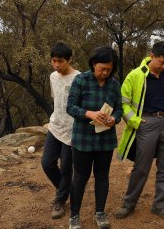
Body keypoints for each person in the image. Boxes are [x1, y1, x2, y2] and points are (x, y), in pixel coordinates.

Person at [114, 41, 164, 221]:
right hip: (146, 123)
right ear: (151, 55)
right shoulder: (135, 75)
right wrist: (136, 122)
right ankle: (128, 204)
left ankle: (159, 205)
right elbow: (123, 102)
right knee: (141, 167)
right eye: (161, 62)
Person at [66, 46, 123, 229]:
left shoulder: (114, 84)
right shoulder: (81, 80)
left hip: (105, 139)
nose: (105, 73)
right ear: (93, 64)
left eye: (108, 69)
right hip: (83, 138)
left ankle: (100, 212)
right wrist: (89, 114)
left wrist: (115, 118)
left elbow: (120, 108)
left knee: (102, 175)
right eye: (101, 69)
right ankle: (74, 215)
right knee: (80, 177)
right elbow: (71, 107)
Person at [41, 42, 80, 219]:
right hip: (55, 127)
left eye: (60, 61)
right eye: (53, 61)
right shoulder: (53, 77)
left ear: (69, 60)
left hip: (73, 131)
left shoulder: (79, 78)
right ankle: (68, 189)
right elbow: (55, 99)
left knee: (66, 168)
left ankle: (60, 199)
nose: (56, 65)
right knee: (47, 163)